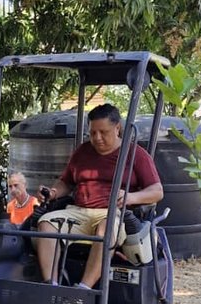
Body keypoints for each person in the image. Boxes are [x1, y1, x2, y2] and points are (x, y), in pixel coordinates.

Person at [34, 104, 163, 289]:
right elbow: (66, 182)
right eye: (93, 133)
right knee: (46, 223)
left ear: (117, 128)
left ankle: (83, 289)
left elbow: (157, 191)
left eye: (103, 132)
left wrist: (131, 197)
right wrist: (53, 192)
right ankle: (52, 286)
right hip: (78, 212)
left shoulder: (136, 154)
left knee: (106, 228)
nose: (97, 138)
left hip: (114, 214)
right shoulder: (82, 151)